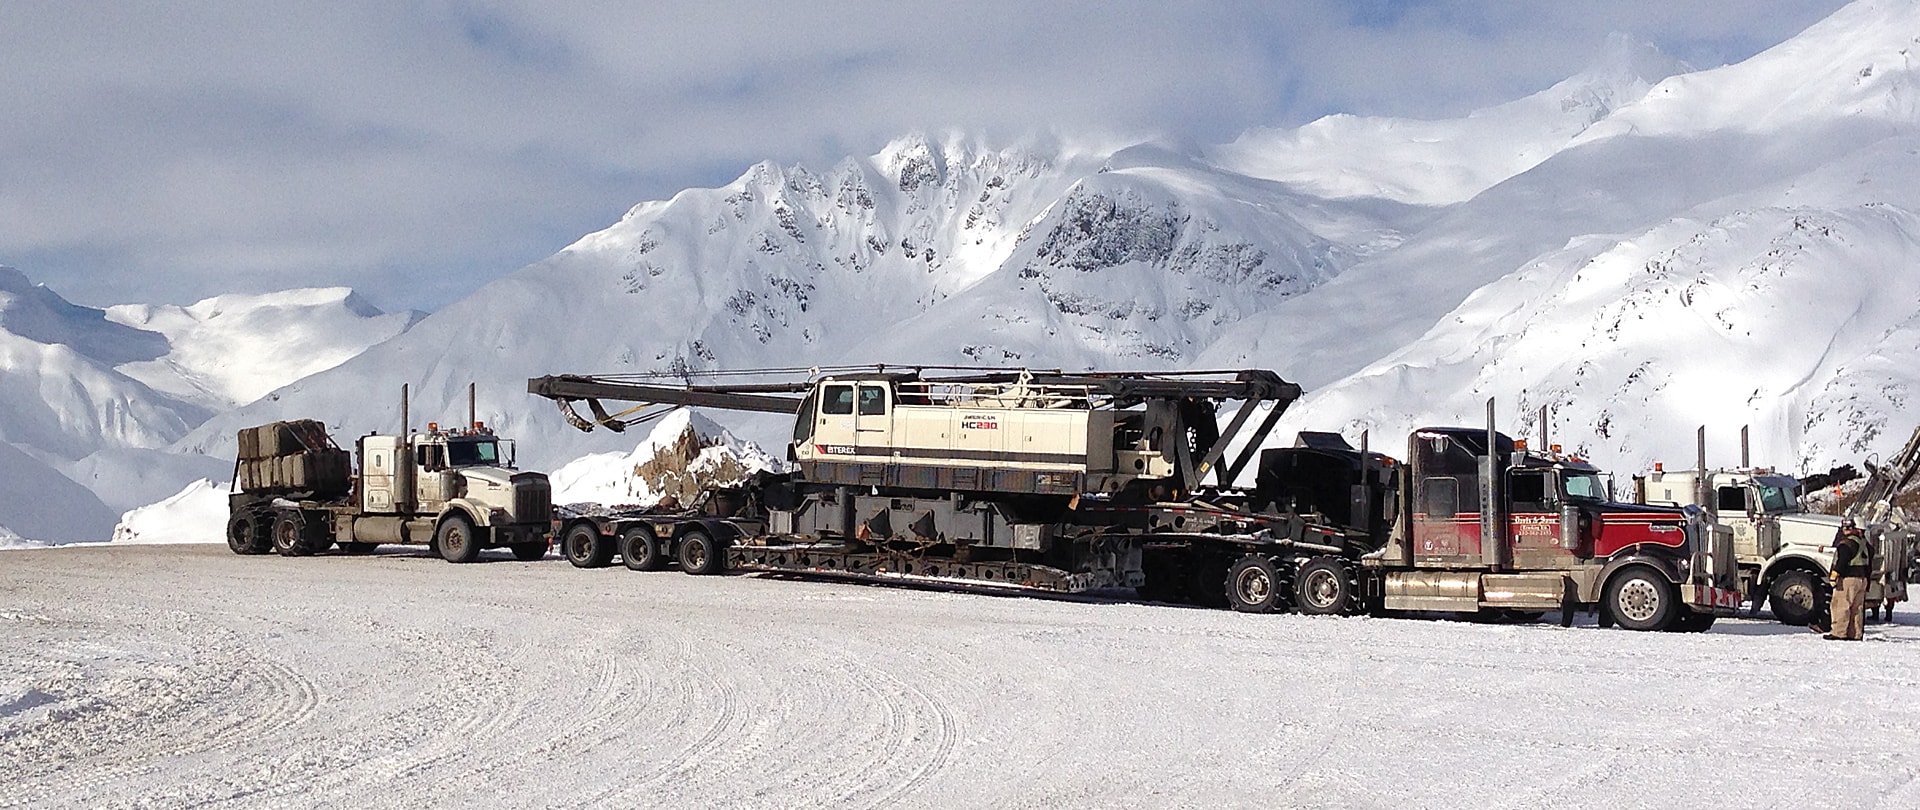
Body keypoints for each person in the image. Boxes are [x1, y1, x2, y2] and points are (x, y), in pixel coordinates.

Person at [1825, 517, 1871, 640]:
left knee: (1841, 605)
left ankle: (1839, 633)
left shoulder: (1846, 544)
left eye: (1847, 527)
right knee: (1857, 608)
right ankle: (1855, 633)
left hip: (1848, 579)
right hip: (1862, 579)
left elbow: (1842, 562)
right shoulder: (1864, 543)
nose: (1844, 529)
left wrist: (1834, 576)